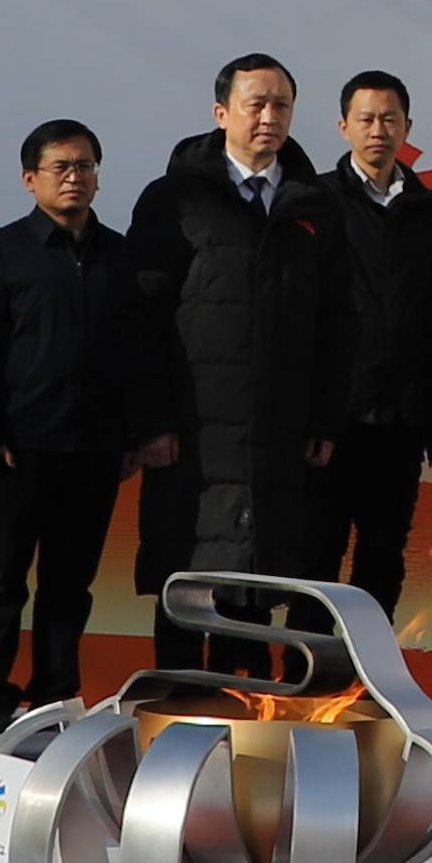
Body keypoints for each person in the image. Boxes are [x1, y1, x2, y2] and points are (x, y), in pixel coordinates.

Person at [0, 119, 175, 724]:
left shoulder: (122, 258)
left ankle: (56, 689)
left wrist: (134, 435)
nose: (74, 178)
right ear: (30, 180)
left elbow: (140, 352)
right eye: (60, 167)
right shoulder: (2, 252)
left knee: (69, 581)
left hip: (95, 445)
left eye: (84, 166)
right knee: (2, 575)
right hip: (17, 445)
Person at [137, 51, 344, 603]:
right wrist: (153, 421)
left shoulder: (317, 206)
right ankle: (178, 692)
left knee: (259, 584)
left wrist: (324, 417)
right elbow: (143, 316)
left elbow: (336, 320)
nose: (269, 117)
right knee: (185, 580)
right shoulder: (175, 198)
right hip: (192, 426)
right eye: (256, 104)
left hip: (280, 427)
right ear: (221, 112)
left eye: (282, 105)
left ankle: (246, 692)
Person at [309, 67, 432, 611]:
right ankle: (306, 683)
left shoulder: (429, 214)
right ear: (344, 126)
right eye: (367, 118)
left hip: (401, 421)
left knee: (382, 554)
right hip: (330, 419)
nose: (378, 129)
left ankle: (362, 681)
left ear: (407, 127)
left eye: (389, 119)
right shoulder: (316, 203)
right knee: (316, 554)